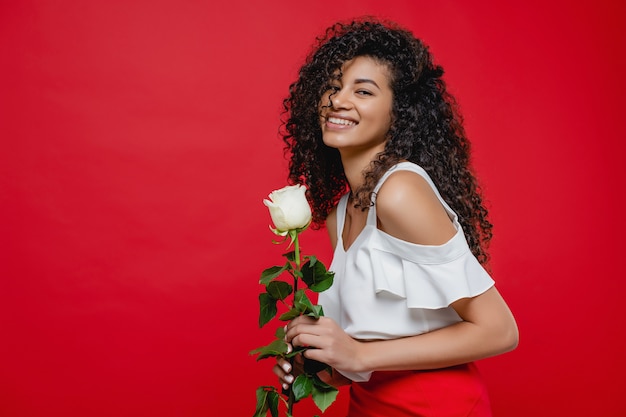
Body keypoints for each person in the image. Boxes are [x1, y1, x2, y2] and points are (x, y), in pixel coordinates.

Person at [273, 18, 518, 417]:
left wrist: (356, 354)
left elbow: (500, 330)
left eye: (363, 91)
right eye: (333, 86)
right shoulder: (343, 212)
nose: (338, 100)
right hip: (371, 406)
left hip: (436, 406)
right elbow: (369, 353)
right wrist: (315, 369)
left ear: (399, 111)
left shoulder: (399, 192)